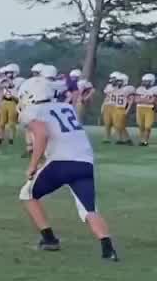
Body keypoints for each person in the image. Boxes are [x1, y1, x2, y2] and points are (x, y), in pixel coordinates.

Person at [18, 74, 119, 261]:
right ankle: (108, 248)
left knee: (27, 195)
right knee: (89, 209)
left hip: (60, 162)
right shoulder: (66, 107)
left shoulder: (33, 111)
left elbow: (42, 134)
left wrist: (32, 165)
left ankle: (49, 239)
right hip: (85, 163)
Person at [100, 72, 133, 144]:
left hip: (118, 107)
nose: (113, 80)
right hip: (109, 106)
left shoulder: (127, 88)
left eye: (115, 79)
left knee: (119, 124)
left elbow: (130, 100)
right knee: (108, 124)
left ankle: (123, 139)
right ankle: (109, 138)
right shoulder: (111, 87)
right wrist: (103, 106)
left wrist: (127, 109)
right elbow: (107, 97)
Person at [135, 72, 157, 146]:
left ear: (152, 81)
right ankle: (142, 140)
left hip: (151, 109)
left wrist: (143, 99)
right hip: (139, 108)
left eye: (147, 81)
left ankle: (145, 141)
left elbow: (153, 101)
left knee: (148, 126)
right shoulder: (139, 89)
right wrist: (147, 100)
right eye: (144, 81)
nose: (144, 82)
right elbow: (136, 100)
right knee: (140, 125)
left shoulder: (155, 89)